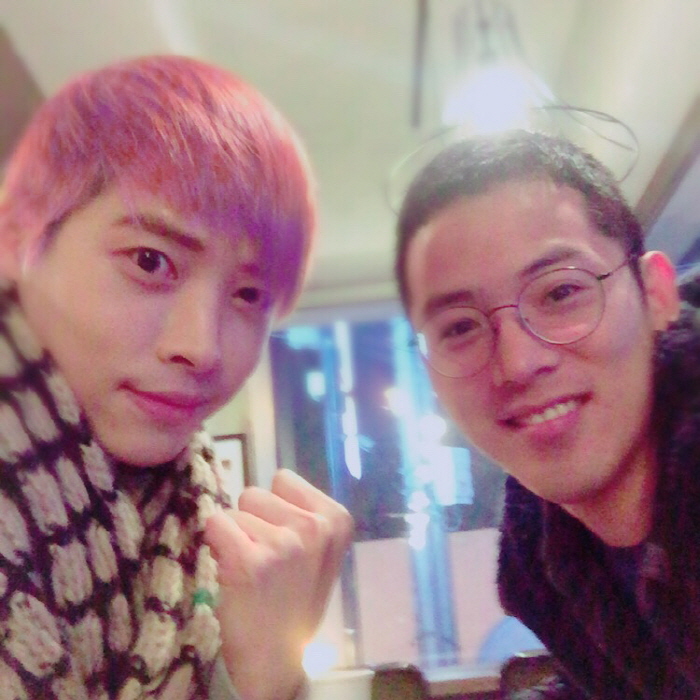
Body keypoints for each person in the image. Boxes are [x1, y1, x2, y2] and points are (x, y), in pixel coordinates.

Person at [0, 55, 353, 700]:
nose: (202, 348)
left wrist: (271, 668)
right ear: (19, 240)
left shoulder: (197, 533)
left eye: (249, 295)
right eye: (150, 261)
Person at [394, 129, 700, 698]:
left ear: (657, 294)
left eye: (560, 293)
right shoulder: (537, 559)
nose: (517, 363)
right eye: (458, 328)